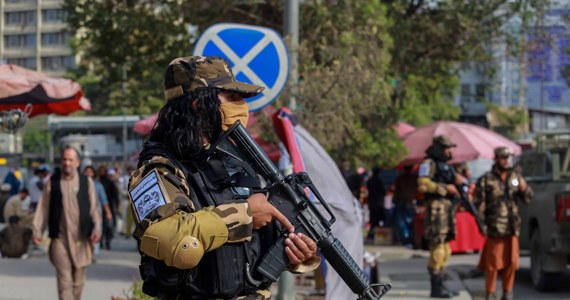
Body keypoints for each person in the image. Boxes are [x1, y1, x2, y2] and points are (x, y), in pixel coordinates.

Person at [128, 56, 319, 299]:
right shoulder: (159, 168)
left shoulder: (239, 164)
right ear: (199, 104)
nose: (242, 107)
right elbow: (168, 238)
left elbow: (260, 244)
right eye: (232, 98)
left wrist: (298, 252)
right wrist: (244, 215)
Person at [32, 146, 102, 300]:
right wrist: (37, 230)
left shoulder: (86, 182)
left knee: (78, 282)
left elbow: (94, 208)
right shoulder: (53, 181)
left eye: (70, 159)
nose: (67, 163)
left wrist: (97, 228)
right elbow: (43, 207)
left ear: (78, 162)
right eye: (64, 159)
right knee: (64, 282)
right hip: (60, 239)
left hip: (81, 239)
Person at [474, 147, 533, 300]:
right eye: (503, 157)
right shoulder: (486, 180)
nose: (506, 160)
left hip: (512, 227)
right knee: (493, 264)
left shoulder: (515, 178)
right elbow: (478, 206)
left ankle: (507, 292)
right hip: (495, 227)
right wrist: (482, 225)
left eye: (508, 157)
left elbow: (527, 198)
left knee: (512, 263)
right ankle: (491, 292)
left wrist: (524, 188)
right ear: (496, 159)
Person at [417, 135, 460, 298]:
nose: (449, 151)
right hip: (436, 209)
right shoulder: (428, 163)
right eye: (446, 148)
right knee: (438, 249)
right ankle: (435, 288)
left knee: (446, 249)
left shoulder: (447, 166)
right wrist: (445, 188)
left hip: (447, 208)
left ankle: (441, 285)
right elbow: (422, 184)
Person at [83, 165, 113, 254]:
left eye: (90, 172)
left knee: (95, 229)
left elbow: (104, 200)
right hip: (83, 212)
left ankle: (93, 251)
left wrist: (108, 212)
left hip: (96, 212)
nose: (88, 173)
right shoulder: (80, 185)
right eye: (86, 171)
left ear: (94, 174)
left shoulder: (98, 186)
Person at [392, 165, 418, 248]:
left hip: (401, 201)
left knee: (402, 222)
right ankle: (409, 240)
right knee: (409, 222)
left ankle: (405, 240)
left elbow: (396, 190)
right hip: (408, 202)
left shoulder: (400, 178)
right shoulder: (414, 178)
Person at [366, 166, 386, 240]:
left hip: (371, 202)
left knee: (373, 219)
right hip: (377, 203)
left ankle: (372, 234)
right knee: (376, 220)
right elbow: (383, 193)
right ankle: (373, 235)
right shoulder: (378, 181)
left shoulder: (370, 181)